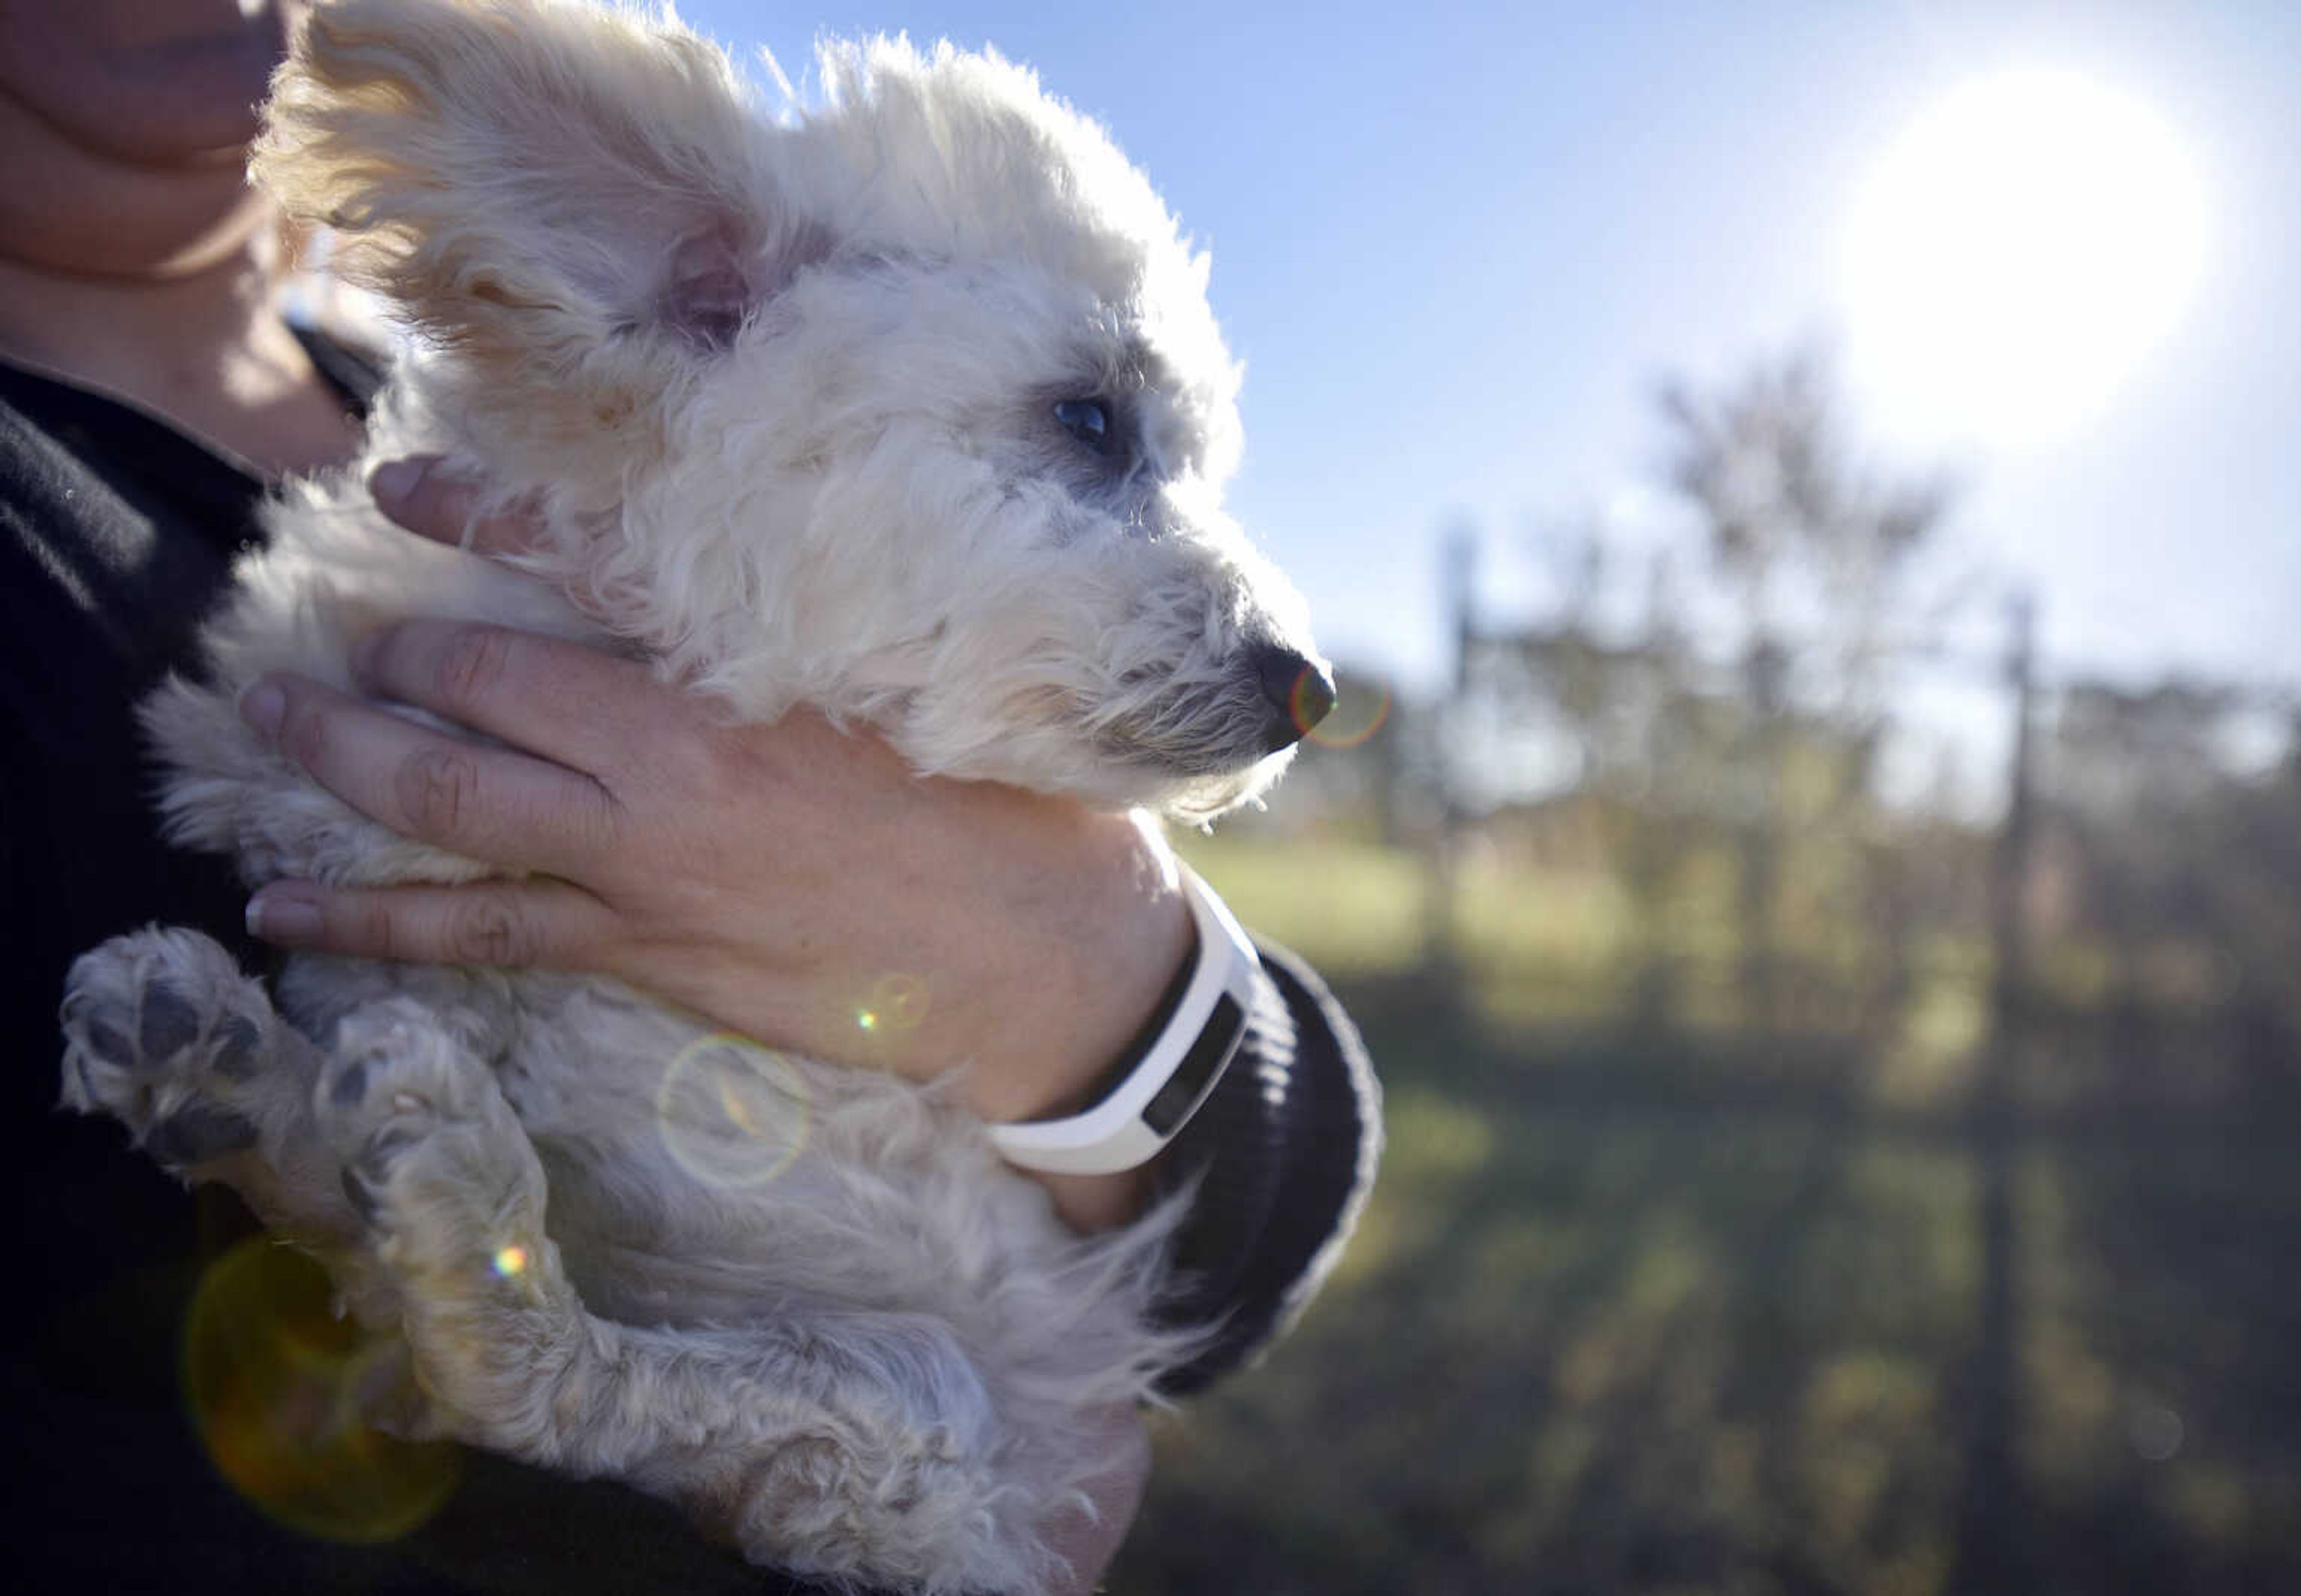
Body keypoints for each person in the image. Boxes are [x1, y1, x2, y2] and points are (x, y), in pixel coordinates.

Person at [0, 4, 1379, 1591]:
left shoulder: (579, 463)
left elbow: (1259, 1237)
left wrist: (1092, 972)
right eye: (1087, 428)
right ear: (691, 290)